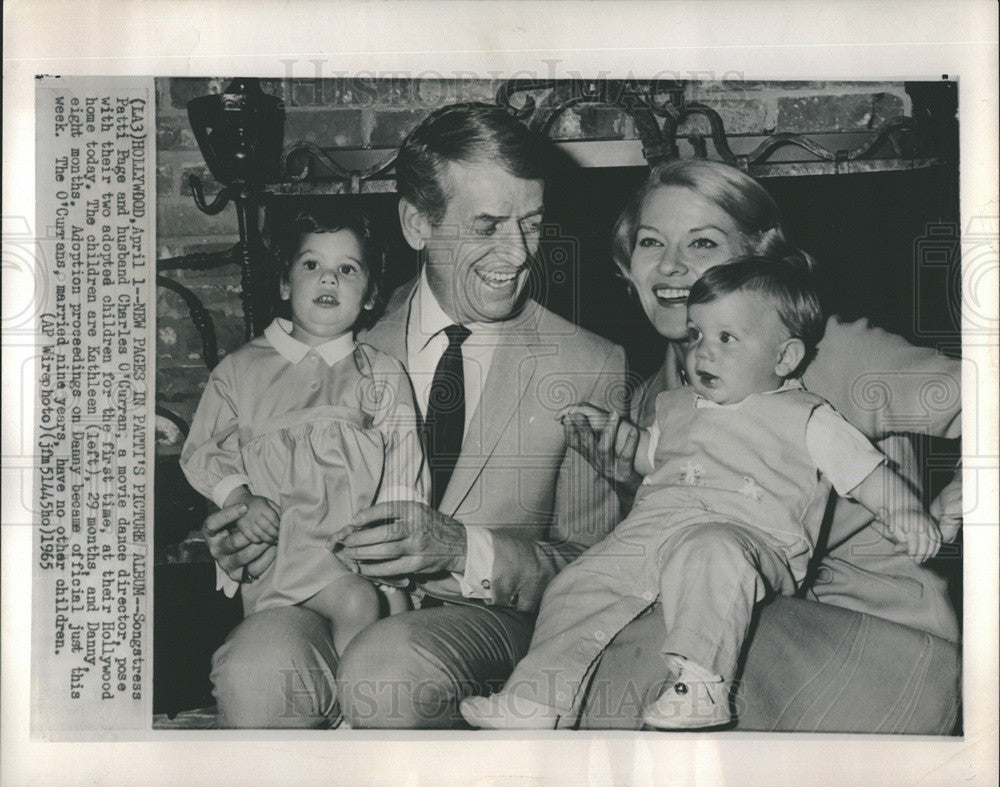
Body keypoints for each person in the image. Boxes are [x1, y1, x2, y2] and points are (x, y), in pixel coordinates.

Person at [201, 103, 627, 728]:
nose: (518, 254)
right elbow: (262, 465)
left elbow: (595, 564)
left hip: (491, 626)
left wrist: (461, 550)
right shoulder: (341, 341)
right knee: (253, 670)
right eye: (487, 227)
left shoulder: (589, 364)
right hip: (330, 594)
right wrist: (241, 533)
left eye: (531, 224)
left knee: (388, 668)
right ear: (417, 223)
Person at [460, 257, 945, 730]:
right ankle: (536, 699)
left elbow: (867, 472)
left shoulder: (806, 416)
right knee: (580, 581)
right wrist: (619, 435)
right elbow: (653, 457)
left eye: (727, 338)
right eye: (696, 335)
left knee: (710, 552)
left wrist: (904, 510)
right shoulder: (673, 406)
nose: (703, 352)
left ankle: (701, 687)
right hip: (654, 534)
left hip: (749, 542)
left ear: (784, 357)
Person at [567, 159, 961, 732]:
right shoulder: (656, 399)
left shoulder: (839, 355)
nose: (671, 265)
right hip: (750, 635)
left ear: (759, 262)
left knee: (648, 648)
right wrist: (630, 480)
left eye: (702, 242)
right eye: (651, 242)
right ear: (628, 267)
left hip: (885, 649)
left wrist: (958, 502)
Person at [181, 211, 422, 658]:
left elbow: (404, 458)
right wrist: (240, 500)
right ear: (285, 286)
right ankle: (346, 717)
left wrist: (394, 533)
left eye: (347, 269)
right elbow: (204, 449)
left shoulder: (382, 372)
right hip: (285, 547)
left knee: (398, 608)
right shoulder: (241, 368)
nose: (328, 278)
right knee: (356, 600)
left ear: (369, 296)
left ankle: (365, 706)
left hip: (359, 546)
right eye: (311, 265)